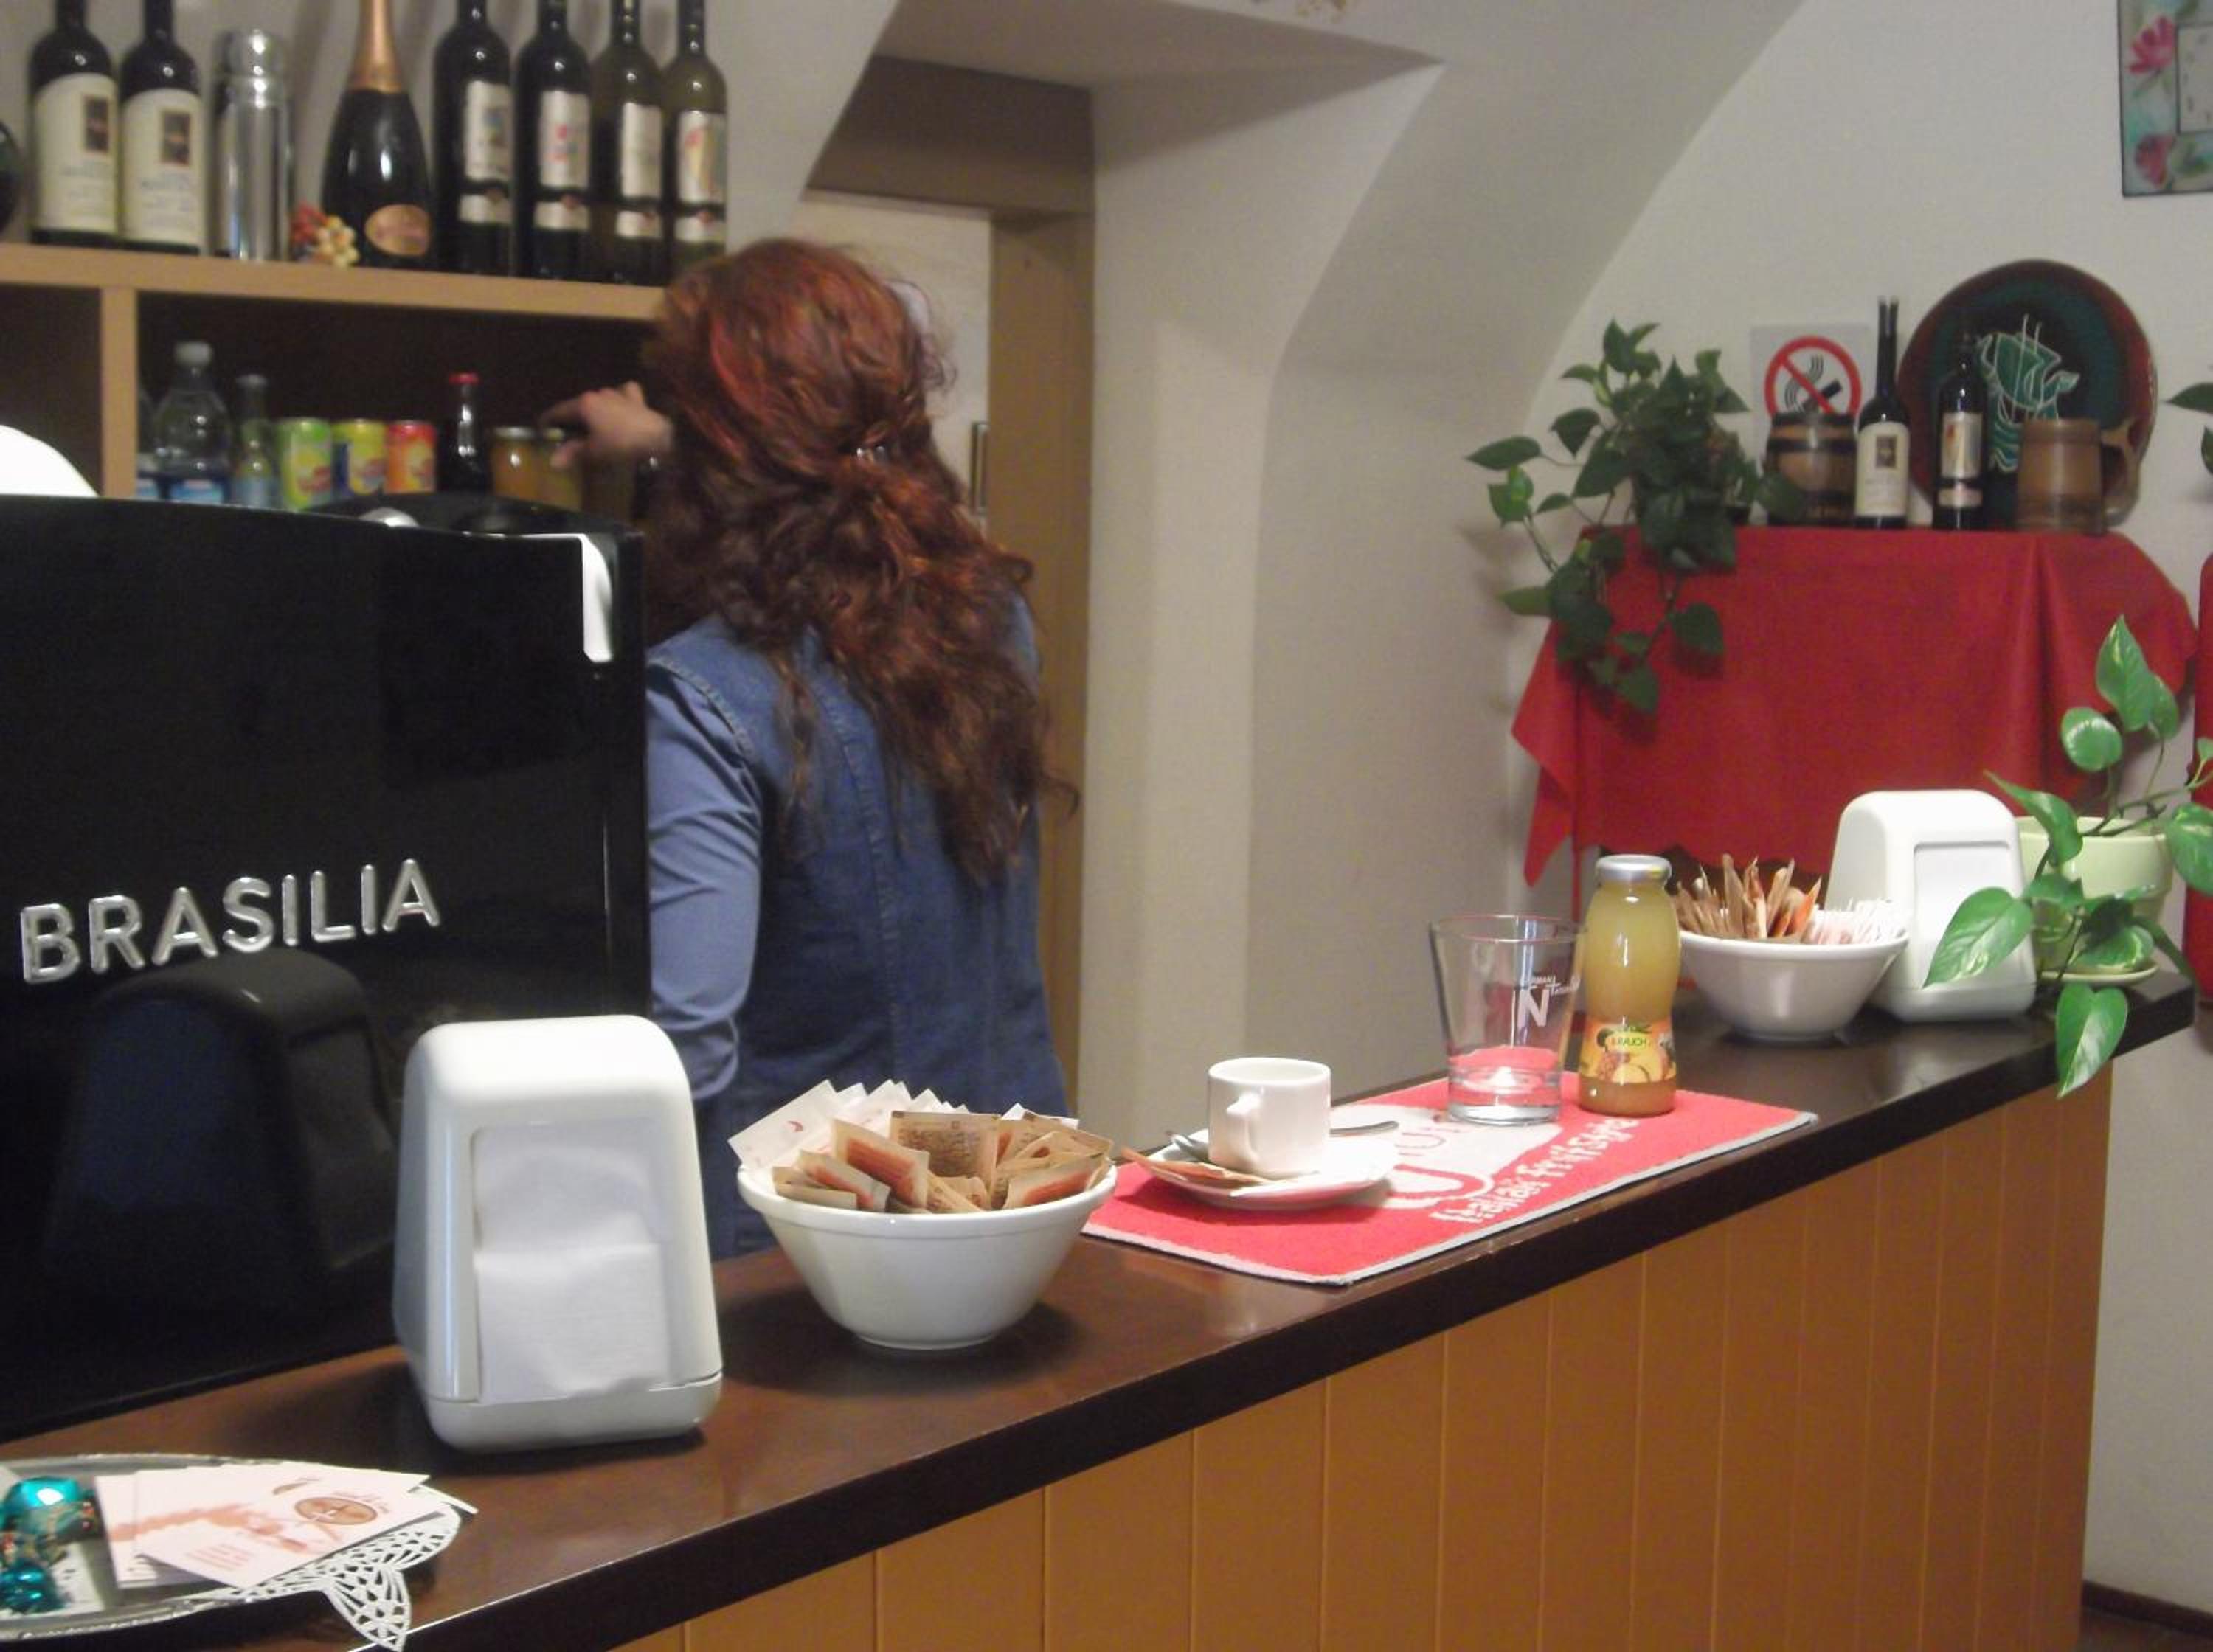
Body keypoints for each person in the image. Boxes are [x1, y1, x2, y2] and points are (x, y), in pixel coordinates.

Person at [549, 238, 1068, 1257]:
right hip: (1012, 1197)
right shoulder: (990, 623)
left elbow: (685, 1055)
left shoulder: (704, 698)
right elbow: (834, 469)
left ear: (712, 457)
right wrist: (667, 437)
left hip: (821, 1246)